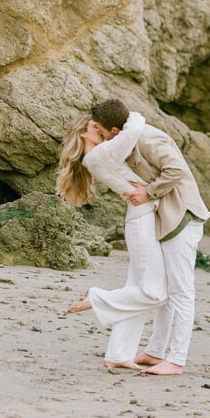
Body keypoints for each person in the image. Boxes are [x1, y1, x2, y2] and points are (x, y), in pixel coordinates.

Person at [88, 99, 210, 377]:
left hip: (182, 218)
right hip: (167, 221)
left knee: (181, 292)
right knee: (166, 292)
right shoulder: (130, 140)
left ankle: (177, 360)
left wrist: (149, 192)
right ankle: (156, 352)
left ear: (115, 130)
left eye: (102, 131)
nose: (102, 137)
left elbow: (176, 170)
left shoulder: (148, 138)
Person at [56, 109, 167, 371]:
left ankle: (118, 354)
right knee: (155, 293)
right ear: (83, 132)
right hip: (142, 222)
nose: (104, 132)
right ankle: (96, 298)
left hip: (143, 217)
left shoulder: (98, 154)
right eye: (96, 127)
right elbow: (136, 127)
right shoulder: (101, 154)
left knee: (137, 287)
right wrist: (130, 115)